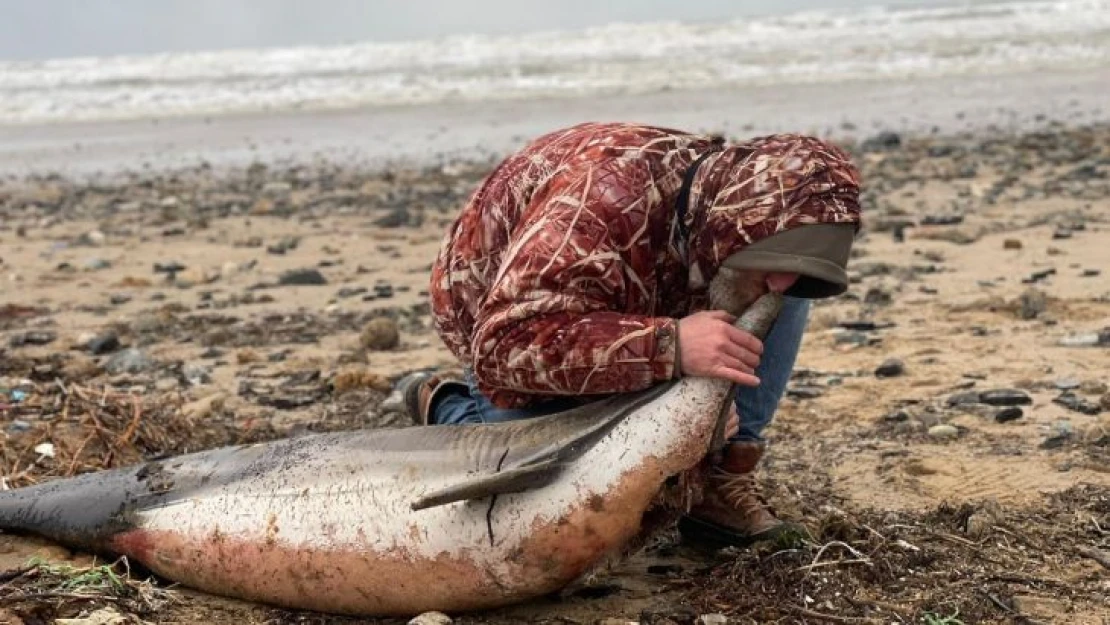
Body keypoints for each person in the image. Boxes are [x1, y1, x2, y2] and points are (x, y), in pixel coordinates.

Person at [389, 121, 862, 548]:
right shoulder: (602, 202)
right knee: (540, 497)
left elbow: (771, 275)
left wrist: (706, 408)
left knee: (778, 282)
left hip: (655, 299)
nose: (784, 285)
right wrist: (670, 346)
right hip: (505, 318)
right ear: (732, 223)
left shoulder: (726, 223)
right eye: (776, 258)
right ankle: (448, 404)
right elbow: (503, 343)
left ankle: (720, 475)